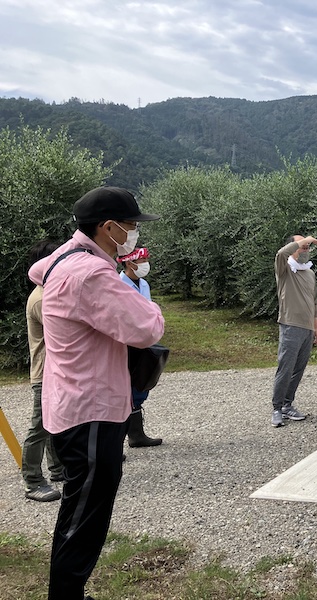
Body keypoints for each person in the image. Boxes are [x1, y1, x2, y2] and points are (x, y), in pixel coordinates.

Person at [28, 186, 165, 600]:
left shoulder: (64, 259)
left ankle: (69, 591)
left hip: (72, 402)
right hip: (91, 410)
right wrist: (141, 295)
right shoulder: (90, 273)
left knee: (81, 508)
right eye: (130, 226)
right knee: (84, 515)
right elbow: (148, 327)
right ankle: (66, 595)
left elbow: (36, 271)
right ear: (107, 228)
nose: (134, 233)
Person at [21, 240, 64, 503]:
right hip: (44, 373)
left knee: (53, 424)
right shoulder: (40, 299)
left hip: (54, 371)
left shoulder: (48, 293)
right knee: (39, 428)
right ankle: (32, 481)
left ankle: (58, 469)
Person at [271, 235, 317, 428]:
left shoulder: (309, 273)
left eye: (308, 246)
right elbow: (280, 253)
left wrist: (316, 328)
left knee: (298, 370)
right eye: (302, 245)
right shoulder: (285, 269)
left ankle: (287, 405)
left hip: (307, 328)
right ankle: (277, 408)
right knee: (285, 368)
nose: (306, 248)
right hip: (290, 325)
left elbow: (314, 302)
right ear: (292, 247)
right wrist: (303, 240)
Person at [118, 246, 163, 447]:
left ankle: (137, 434)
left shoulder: (143, 283)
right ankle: (122, 437)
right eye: (142, 261)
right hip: (126, 343)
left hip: (144, 340)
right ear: (129, 263)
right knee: (123, 388)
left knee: (140, 384)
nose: (145, 265)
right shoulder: (118, 283)